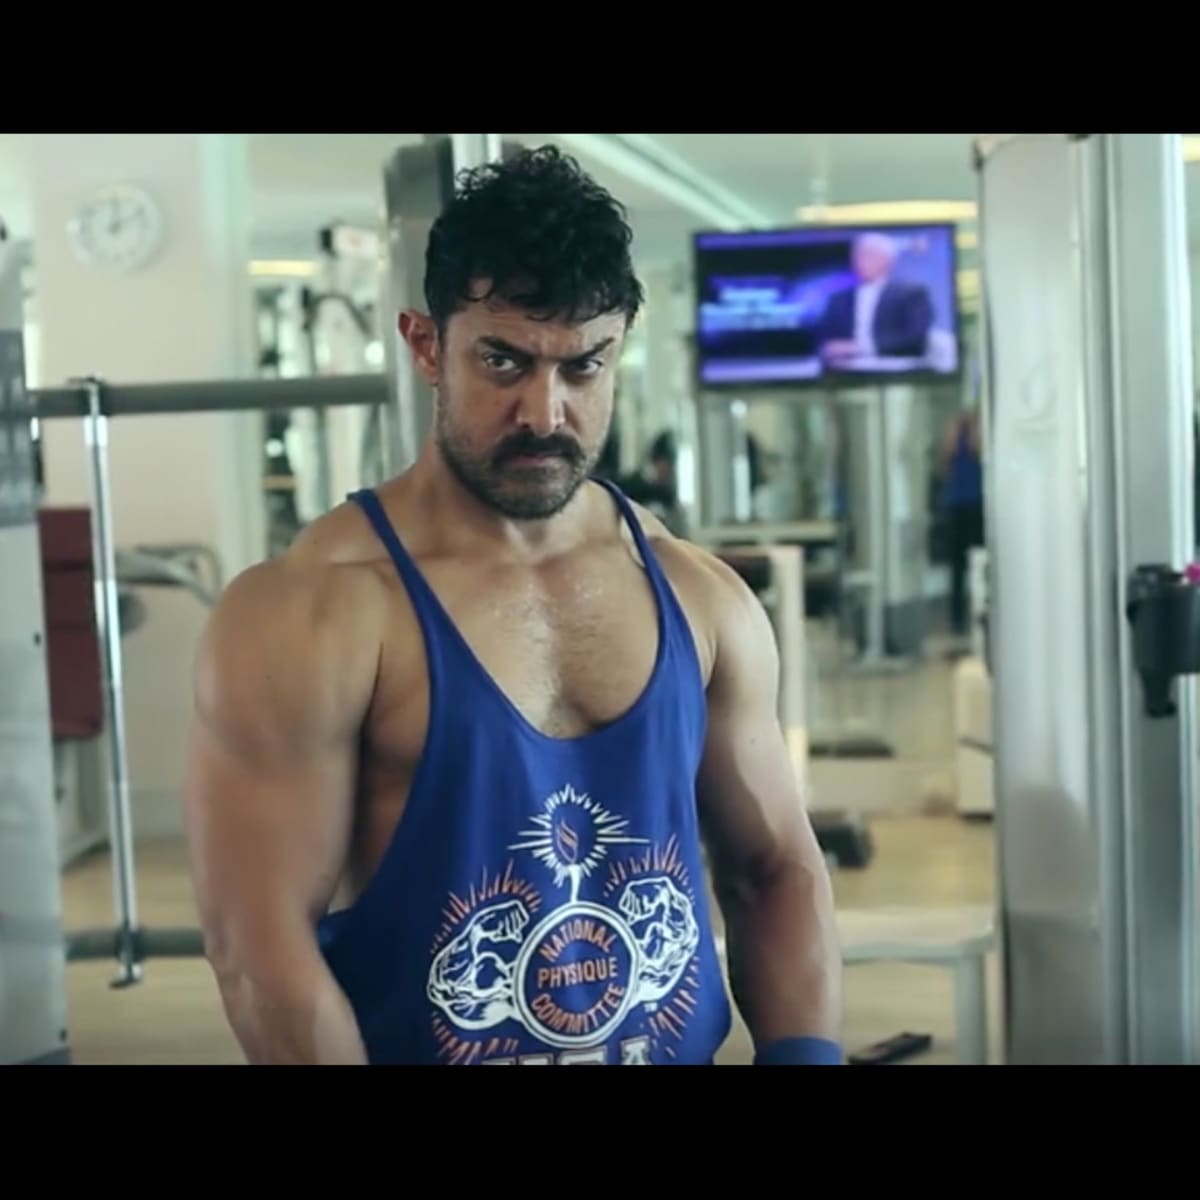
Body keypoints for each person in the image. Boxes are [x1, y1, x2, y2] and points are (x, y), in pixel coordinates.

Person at [183, 145, 842, 1067]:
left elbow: (775, 869)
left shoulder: (698, 595)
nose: (545, 412)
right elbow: (260, 952)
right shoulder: (312, 612)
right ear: (426, 346)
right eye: (504, 361)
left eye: (584, 367)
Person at [816, 232, 934, 368]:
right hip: (844, 371)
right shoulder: (838, 299)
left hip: (896, 368)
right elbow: (824, 340)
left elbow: (916, 339)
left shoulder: (912, 294)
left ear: (888, 260)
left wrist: (860, 348)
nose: (858, 261)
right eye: (856, 255)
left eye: (867, 255)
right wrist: (828, 350)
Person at [938, 405, 984, 641]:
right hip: (957, 505)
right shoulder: (955, 431)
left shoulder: (981, 430)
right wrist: (954, 434)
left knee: (980, 561)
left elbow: (979, 452)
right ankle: (957, 620)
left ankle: (981, 609)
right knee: (957, 568)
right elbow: (944, 462)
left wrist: (975, 428)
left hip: (978, 504)